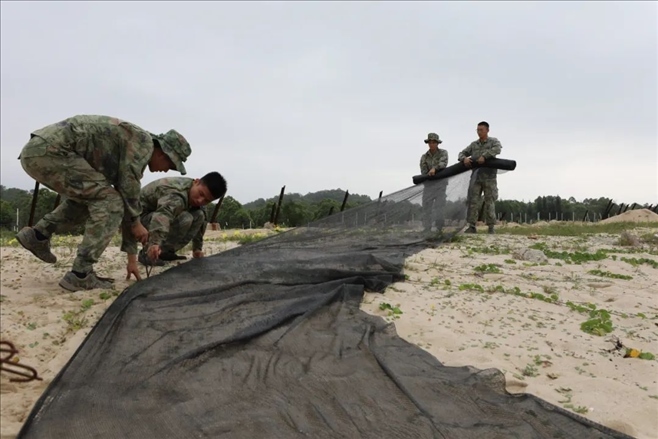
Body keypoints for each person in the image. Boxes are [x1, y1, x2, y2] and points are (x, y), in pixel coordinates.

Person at [15, 115, 192, 291]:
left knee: (95, 198)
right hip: (53, 152)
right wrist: (136, 222)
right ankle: (81, 274)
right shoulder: (143, 145)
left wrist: (132, 258)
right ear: (162, 153)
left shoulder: (132, 145)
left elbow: (127, 201)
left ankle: (39, 235)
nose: (167, 170)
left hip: (38, 152)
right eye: (171, 165)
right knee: (110, 201)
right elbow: (128, 195)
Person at [122, 172, 227, 274]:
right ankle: (147, 253)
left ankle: (164, 252)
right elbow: (162, 216)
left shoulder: (197, 196)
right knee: (186, 218)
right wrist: (155, 243)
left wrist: (197, 249)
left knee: (199, 215)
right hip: (137, 219)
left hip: (157, 215)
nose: (200, 200)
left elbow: (202, 222)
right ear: (196, 182)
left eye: (206, 200)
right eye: (201, 194)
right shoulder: (176, 194)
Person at [458, 121, 502, 234]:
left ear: (487, 130)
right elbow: (461, 153)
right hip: (476, 177)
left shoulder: (493, 141)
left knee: (489, 201)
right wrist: (464, 159)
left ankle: (491, 227)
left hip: (489, 177)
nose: (479, 132)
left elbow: (498, 149)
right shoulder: (474, 145)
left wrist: (485, 156)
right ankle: (472, 226)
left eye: (481, 130)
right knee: (473, 201)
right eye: (477, 130)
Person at [419, 132, 449, 233]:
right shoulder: (424, 157)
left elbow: (443, 163)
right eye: (430, 142)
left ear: (437, 143)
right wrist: (428, 174)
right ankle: (427, 228)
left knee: (439, 207)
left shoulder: (443, 153)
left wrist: (434, 169)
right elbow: (423, 170)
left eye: (434, 142)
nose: (431, 144)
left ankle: (439, 228)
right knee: (426, 207)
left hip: (441, 185)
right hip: (429, 186)